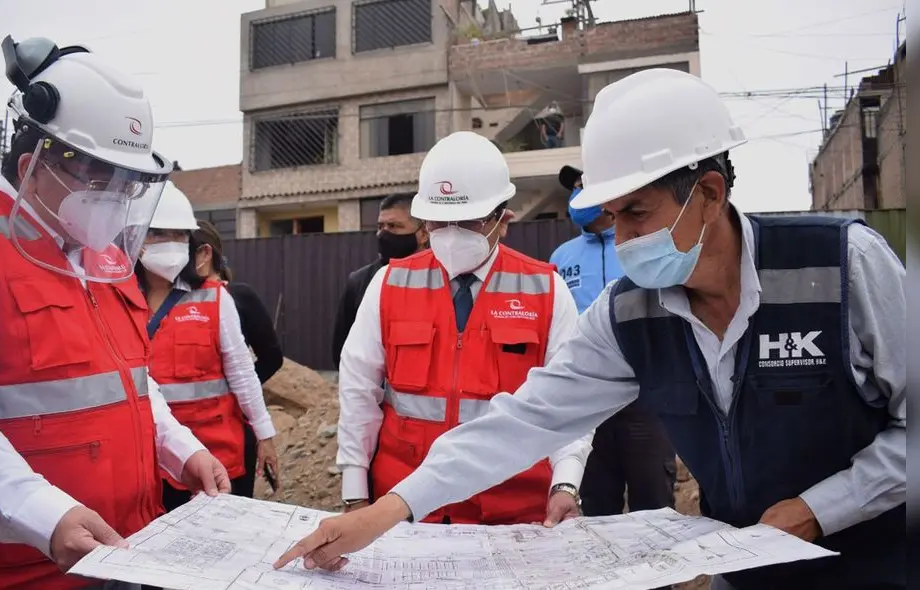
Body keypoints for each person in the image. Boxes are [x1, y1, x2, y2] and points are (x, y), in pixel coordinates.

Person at [275, 69, 906, 590]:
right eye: (611, 215)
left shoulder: (842, 266)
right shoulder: (630, 310)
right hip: (740, 565)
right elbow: (527, 419)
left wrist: (818, 511)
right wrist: (386, 509)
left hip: (873, 563)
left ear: (709, 193)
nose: (623, 238)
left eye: (637, 212)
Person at [0, 35, 228, 589]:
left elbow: (131, 386)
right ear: (33, 164)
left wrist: (182, 450)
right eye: (101, 181)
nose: (115, 200)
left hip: (126, 552)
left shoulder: (104, 259)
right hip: (16, 569)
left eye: (126, 185)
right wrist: (45, 515)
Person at [335, 131, 593, 526]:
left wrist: (566, 484)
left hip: (512, 512)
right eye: (439, 222)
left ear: (502, 221)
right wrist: (355, 493)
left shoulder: (546, 289)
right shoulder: (389, 284)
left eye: (469, 222)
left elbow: (569, 399)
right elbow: (359, 391)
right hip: (405, 505)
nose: (452, 234)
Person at [135, 182, 279, 510]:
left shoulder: (215, 299)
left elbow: (243, 372)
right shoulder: (119, 299)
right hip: (151, 460)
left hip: (218, 455)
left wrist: (265, 435)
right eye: (158, 233)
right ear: (136, 238)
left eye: (179, 235)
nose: (170, 244)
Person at [551, 165, 678, 518]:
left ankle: (658, 575)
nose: (577, 196)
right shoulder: (562, 258)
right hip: (587, 400)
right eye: (574, 189)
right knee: (593, 504)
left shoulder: (643, 246)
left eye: (584, 186)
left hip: (646, 395)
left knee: (653, 503)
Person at [194, 218, 285, 494]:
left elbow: (272, 357)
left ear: (205, 253)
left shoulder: (238, 297)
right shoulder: (170, 301)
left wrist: (237, 388)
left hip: (235, 424)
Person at [331, 193, 429, 367]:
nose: (383, 233)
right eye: (380, 226)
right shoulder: (360, 281)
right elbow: (343, 351)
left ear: (423, 234)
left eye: (393, 226)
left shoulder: (444, 278)